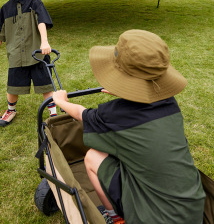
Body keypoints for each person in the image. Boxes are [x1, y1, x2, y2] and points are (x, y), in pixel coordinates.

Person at [53, 29, 205, 224]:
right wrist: (127, 91)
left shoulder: (114, 115)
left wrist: (61, 101)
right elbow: (142, 106)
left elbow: (80, 113)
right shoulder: (170, 105)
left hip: (152, 218)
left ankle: (115, 218)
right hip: (192, 208)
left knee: (91, 157)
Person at [0, 0, 57, 127]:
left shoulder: (35, 2)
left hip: (37, 53)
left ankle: (53, 114)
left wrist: (44, 42)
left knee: (46, 85)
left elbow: (42, 21)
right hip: (16, 55)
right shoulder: (5, 9)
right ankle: (10, 110)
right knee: (13, 87)